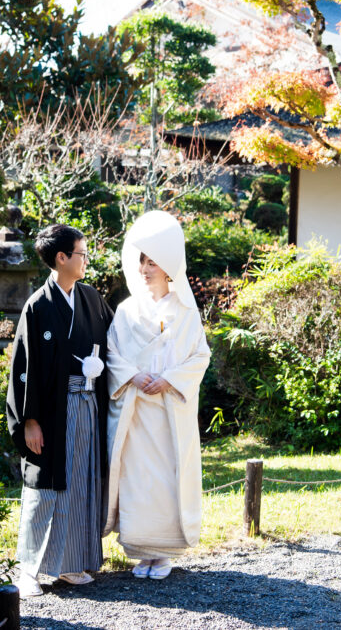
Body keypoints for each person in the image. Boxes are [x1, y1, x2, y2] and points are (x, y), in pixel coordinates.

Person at [5, 224, 113, 597]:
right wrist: (29, 420)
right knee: (44, 486)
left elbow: (115, 339)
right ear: (61, 258)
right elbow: (23, 369)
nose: (85, 260)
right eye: (81, 253)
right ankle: (28, 570)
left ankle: (68, 564)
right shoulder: (38, 306)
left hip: (86, 404)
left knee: (79, 483)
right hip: (50, 411)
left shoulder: (90, 298)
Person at [104, 211, 211, 580]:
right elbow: (112, 353)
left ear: (168, 268)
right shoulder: (126, 310)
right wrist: (134, 375)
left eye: (152, 262)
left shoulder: (185, 312)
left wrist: (168, 379)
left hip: (168, 412)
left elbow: (200, 355)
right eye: (142, 262)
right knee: (137, 479)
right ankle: (140, 551)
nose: (145, 269)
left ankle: (162, 554)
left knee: (166, 478)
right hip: (136, 409)